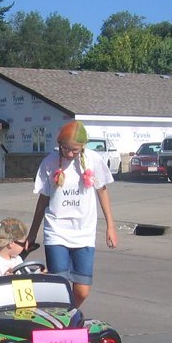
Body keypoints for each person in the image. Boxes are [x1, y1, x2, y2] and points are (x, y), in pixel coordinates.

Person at [26, 121, 117, 308]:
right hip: (56, 230)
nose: (68, 154)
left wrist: (110, 226)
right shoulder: (49, 162)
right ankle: (59, 320)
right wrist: (33, 233)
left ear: (83, 147)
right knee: (58, 285)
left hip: (84, 232)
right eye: (65, 148)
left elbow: (102, 191)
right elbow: (42, 200)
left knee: (82, 291)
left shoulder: (93, 159)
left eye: (74, 150)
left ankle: (69, 313)